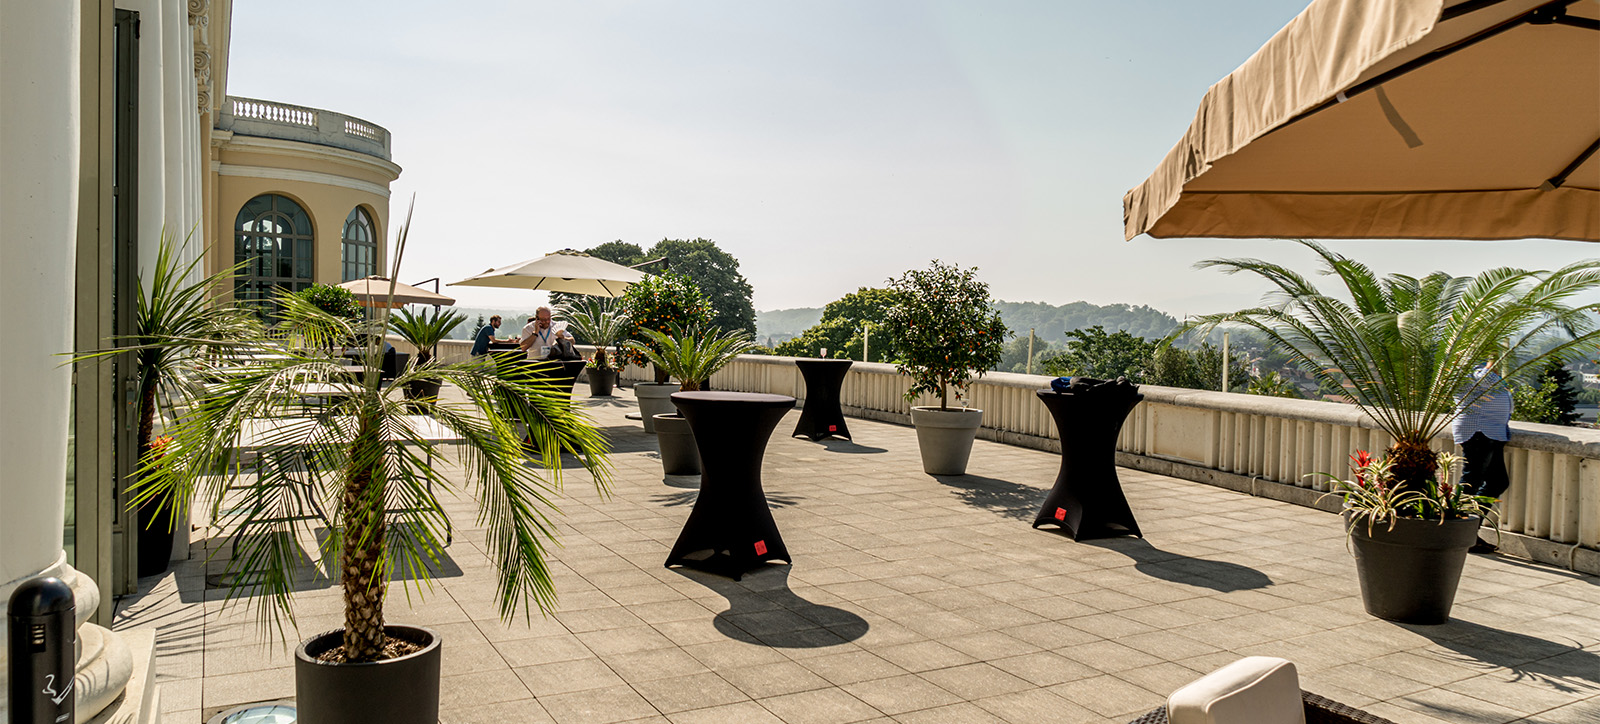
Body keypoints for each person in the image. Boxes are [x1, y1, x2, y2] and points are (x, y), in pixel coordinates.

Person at [1454, 361, 1512, 553]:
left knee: (1497, 481)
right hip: (1480, 433)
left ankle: (1469, 531)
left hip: (1489, 433)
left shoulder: (1475, 376)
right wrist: (1489, 366)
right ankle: (1459, 533)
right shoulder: (1477, 374)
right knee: (1471, 481)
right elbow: (1488, 379)